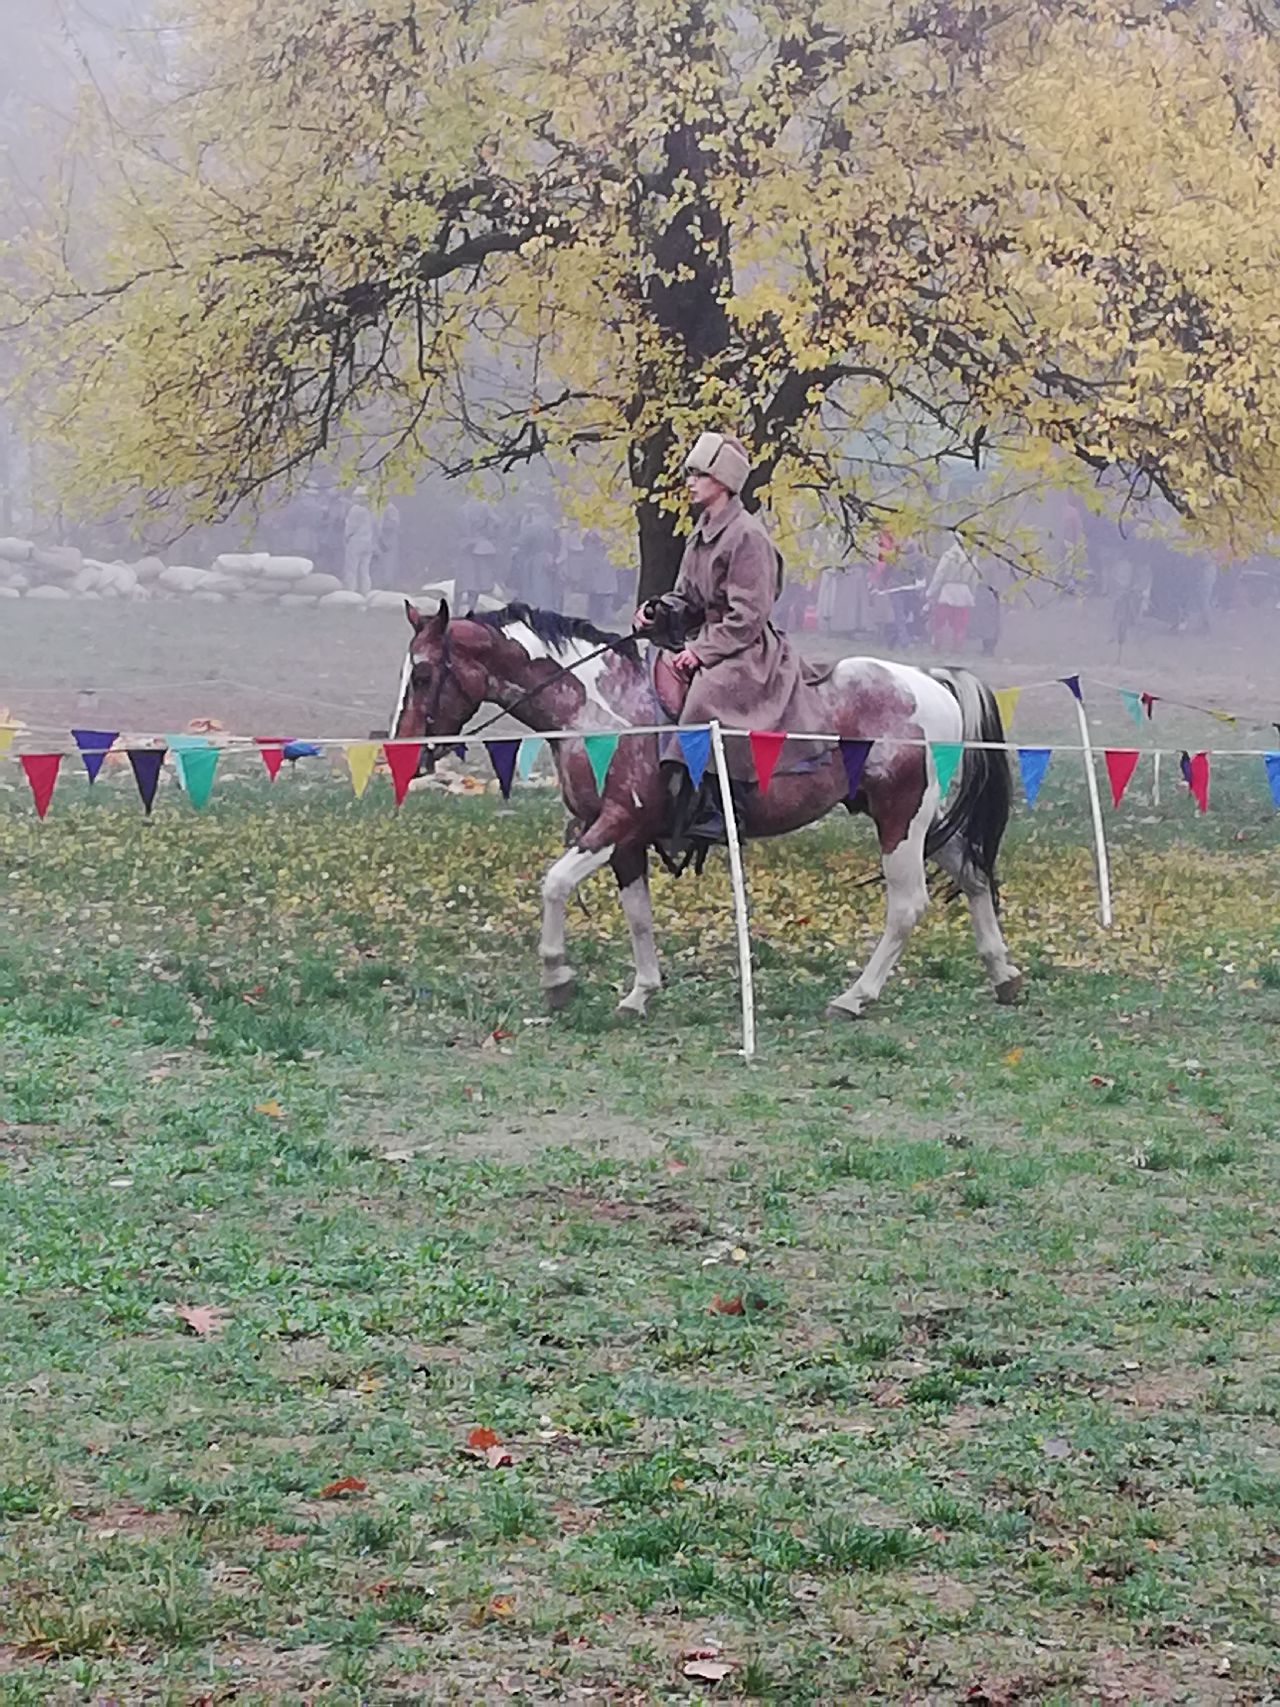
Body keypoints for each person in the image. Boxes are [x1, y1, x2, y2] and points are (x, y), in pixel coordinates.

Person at [633, 430, 827, 844]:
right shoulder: (700, 531)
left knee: (706, 697)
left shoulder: (747, 536)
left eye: (699, 474)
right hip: (711, 638)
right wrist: (658, 611)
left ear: (722, 481)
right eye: (690, 474)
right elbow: (687, 597)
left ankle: (718, 807)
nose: (690, 482)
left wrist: (700, 652)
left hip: (748, 650)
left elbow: (749, 615)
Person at [926, 532, 979, 650]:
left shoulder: (948, 556)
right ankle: (957, 648)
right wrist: (972, 594)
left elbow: (939, 575)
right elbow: (974, 579)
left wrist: (931, 591)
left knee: (940, 621)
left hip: (948, 591)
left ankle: (937, 647)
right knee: (960, 625)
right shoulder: (971, 557)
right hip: (964, 592)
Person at [343, 488, 375, 595]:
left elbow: (351, 526)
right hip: (368, 541)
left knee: (351, 568)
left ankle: (351, 591)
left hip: (356, 541)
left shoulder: (355, 509)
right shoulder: (372, 510)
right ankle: (366, 591)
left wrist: (347, 536)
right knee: (365, 569)